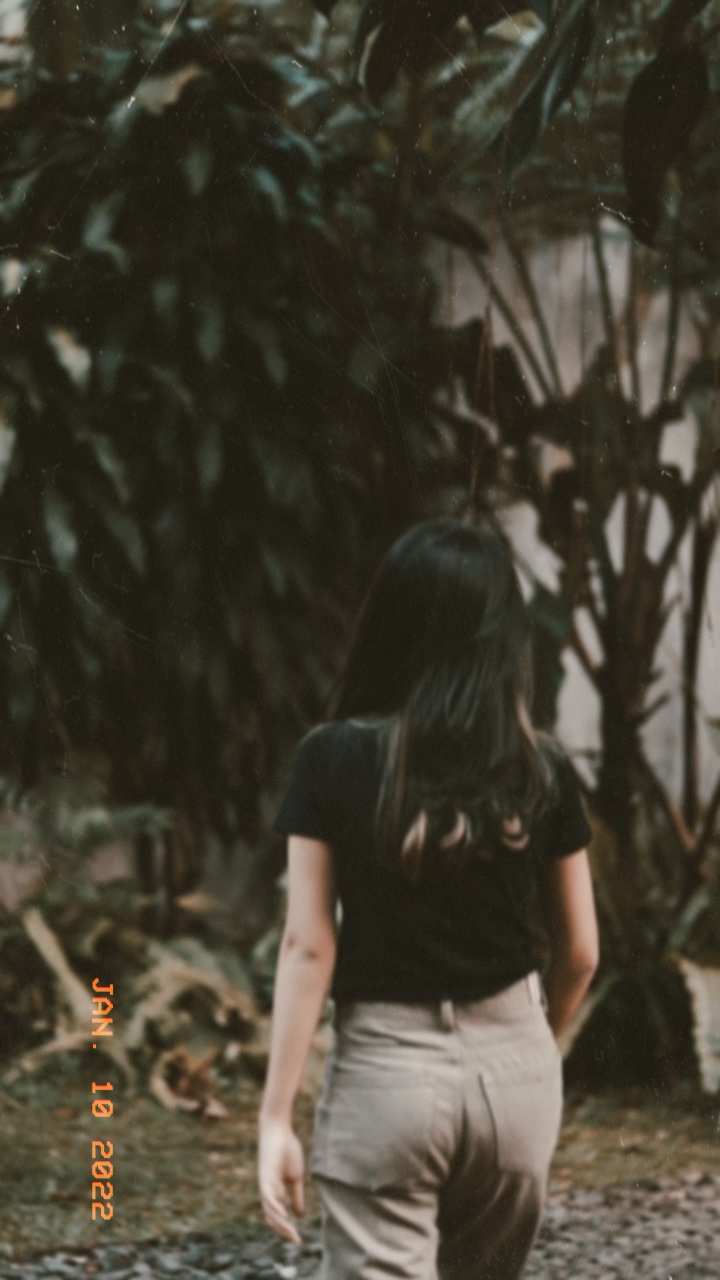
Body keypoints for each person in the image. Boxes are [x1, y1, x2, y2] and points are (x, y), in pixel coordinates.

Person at [257, 518, 599, 1280]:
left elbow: (308, 945)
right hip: (517, 1083)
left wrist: (276, 1117)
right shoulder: (543, 771)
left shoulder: (332, 757)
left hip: (388, 1082)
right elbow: (580, 952)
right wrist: (532, 1050)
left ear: (391, 626)